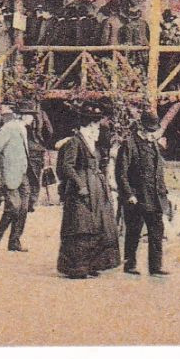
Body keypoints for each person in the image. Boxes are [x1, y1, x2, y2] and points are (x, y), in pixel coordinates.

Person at [56, 106, 121, 279]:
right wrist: (80, 184)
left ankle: (93, 264)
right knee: (81, 226)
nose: (99, 131)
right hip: (81, 191)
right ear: (89, 126)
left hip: (97, 189)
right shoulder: (75, 142)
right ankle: (77, 267)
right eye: (97, 127)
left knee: (99, 225)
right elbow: (67, 166)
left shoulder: (93, 143)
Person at [115, 111, 172, 276]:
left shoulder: (153, 144)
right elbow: (121, 173)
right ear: (140, 127)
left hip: (155, 197)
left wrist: (163, 192)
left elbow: (157, 171)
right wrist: (128, 194)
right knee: (133, 232)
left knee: (157, 231)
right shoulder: (129, 144)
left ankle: (156, 267)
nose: (151, 134)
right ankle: (130, 264)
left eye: (153, 130)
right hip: (137, 198)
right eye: (148, 130)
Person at [0, 103, 36, 252]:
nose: (33, 118)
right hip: (8, 175)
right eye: (30, 114)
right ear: (21, 115)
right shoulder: (9, 128)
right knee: (14, 207)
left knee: (23, 208)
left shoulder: (23, 129)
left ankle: (14, 242)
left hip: (22, 174)